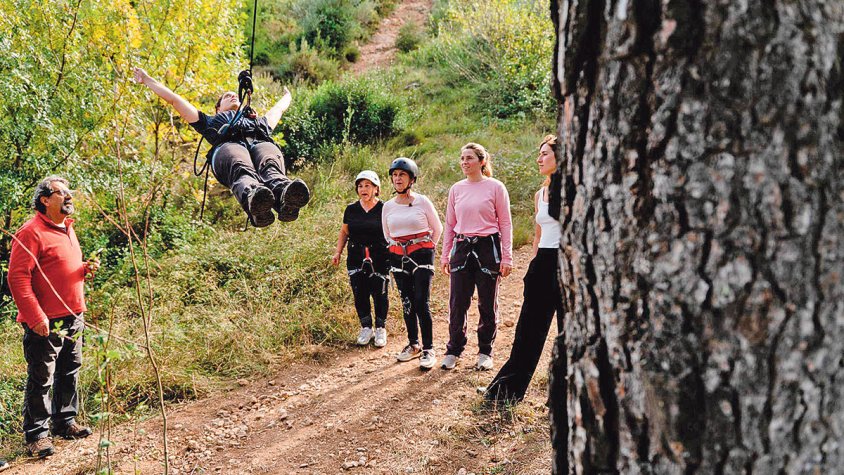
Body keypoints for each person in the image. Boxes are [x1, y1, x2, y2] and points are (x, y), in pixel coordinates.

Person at [133, 67, 310, 227]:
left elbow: (277, 110)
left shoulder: (258, 122)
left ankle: (285, 196)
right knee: (240, 166)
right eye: (227, 96)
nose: (233, 96)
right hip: (228, 147)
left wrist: (288, 96)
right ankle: (254, 198)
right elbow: (174, 100)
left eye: (234, 94)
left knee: (269, 163)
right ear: (217, 109)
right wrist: (147, 80)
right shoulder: (210, 122)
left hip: (259, 142)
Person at [7, 176, 99, 458]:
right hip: (46, 321)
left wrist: (83, 269)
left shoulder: (67, 227)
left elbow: (58, 268)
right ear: (45, 199)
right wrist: (35, 316)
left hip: (74, 315)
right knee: (42, 378)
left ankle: (65, 422)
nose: (69, 197)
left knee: (70, 370)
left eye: (70, 192)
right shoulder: (30, 232)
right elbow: (17, 278)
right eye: (63, 193)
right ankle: (37, 435)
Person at [485, 135, 564, 404]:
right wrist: (534, 265)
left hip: (569, 264)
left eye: (545, 153)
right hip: (543, 264)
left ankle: (563, 397)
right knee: (528, 332)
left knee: (570, 334)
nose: (539, 159)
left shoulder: (576, 190)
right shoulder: (539, 194)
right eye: (539, 154)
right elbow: (538, 235)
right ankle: (506, 392)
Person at [440, 143, 513, 371]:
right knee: (457, 302)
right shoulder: (456, 189)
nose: (464, 162)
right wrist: (445, 255)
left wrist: (507, 257)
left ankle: (485, 351)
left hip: (487, 246)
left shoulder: (496, 187)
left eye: (469, 158)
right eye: (462, 158)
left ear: (482, 161)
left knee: (487, 303)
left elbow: (505, 223)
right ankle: (454, 349)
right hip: (462, 247)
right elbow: (450, 224)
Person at [381, 158, 443, 369]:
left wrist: (427, 249)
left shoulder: (422, 201)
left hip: (422, 256)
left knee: (420, 302)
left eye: (402, 175)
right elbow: (387, 235)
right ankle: (413, 344)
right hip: (398, 257)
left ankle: (429, 348)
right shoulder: (387, 206)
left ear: (411, 179)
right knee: (406, 302)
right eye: (395, 175)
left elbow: (437, 228)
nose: (397, 179)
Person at [332, 171, 390, 348]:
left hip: (379, 257)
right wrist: (338, 252)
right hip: (356, 256)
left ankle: (380, 328)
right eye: (360, 186)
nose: (363, 189)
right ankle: (366, 327)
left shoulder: (384, 208)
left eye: (367, 185)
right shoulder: (351, 209)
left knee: (380, 293)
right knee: (360, 293)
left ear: (376, 189)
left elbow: (392, 231)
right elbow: (344, 231)